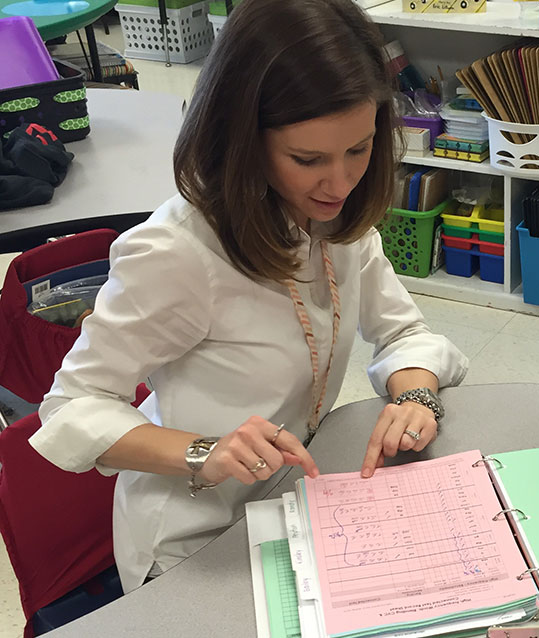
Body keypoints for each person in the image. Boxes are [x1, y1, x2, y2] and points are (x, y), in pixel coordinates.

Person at [29, 0, 467, 593]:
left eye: (359, 150)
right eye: (307, 159)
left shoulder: (334, 219)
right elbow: (71, 406)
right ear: (242, 139)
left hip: (294, 506)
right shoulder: (177, 253)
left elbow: (403, 332)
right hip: (195, 540)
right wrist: (201, 452)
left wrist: (416, 393)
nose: (339, 184)